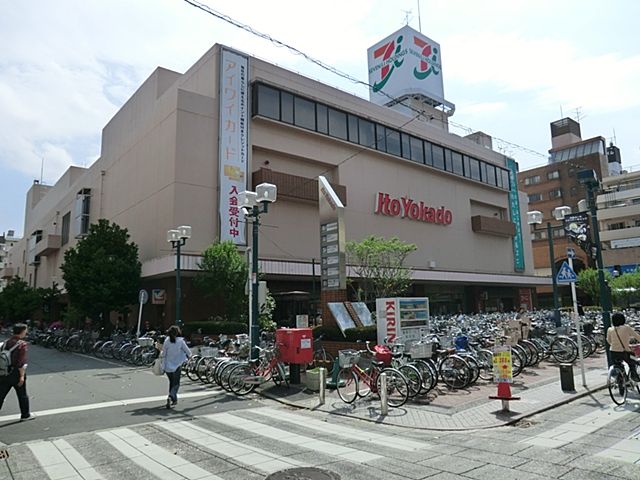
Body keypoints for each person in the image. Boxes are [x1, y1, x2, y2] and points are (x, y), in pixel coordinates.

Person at [0, 323, 34, 421]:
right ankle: (25, 415)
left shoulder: (5, 342)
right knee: (22, 394)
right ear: (22, 331)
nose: (26, 332)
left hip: (4, 371)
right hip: (16, 373)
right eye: (26, 330)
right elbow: (21, 362)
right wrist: (22, 376)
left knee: (1, 394)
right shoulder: (22, 344)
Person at [160, 325, 191, 409]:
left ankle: (174, 399)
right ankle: (171, 396)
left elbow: (163, 353)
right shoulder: (180, 341)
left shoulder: (166, 341)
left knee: (171, 382)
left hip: (167, 365)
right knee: (176, 383)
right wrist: (189, 357)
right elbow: (188, 352)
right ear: (177, 333)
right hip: (177, 365)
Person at [607, 312, 640, 382]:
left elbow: (609, 341)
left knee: (618, 365)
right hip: (625, 352)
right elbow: (637, 337)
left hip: (613, 352)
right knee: (632, 361)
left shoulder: (610, 329)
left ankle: (621, 381)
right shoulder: (626, 328)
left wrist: (616, 345)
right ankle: (634, 375)